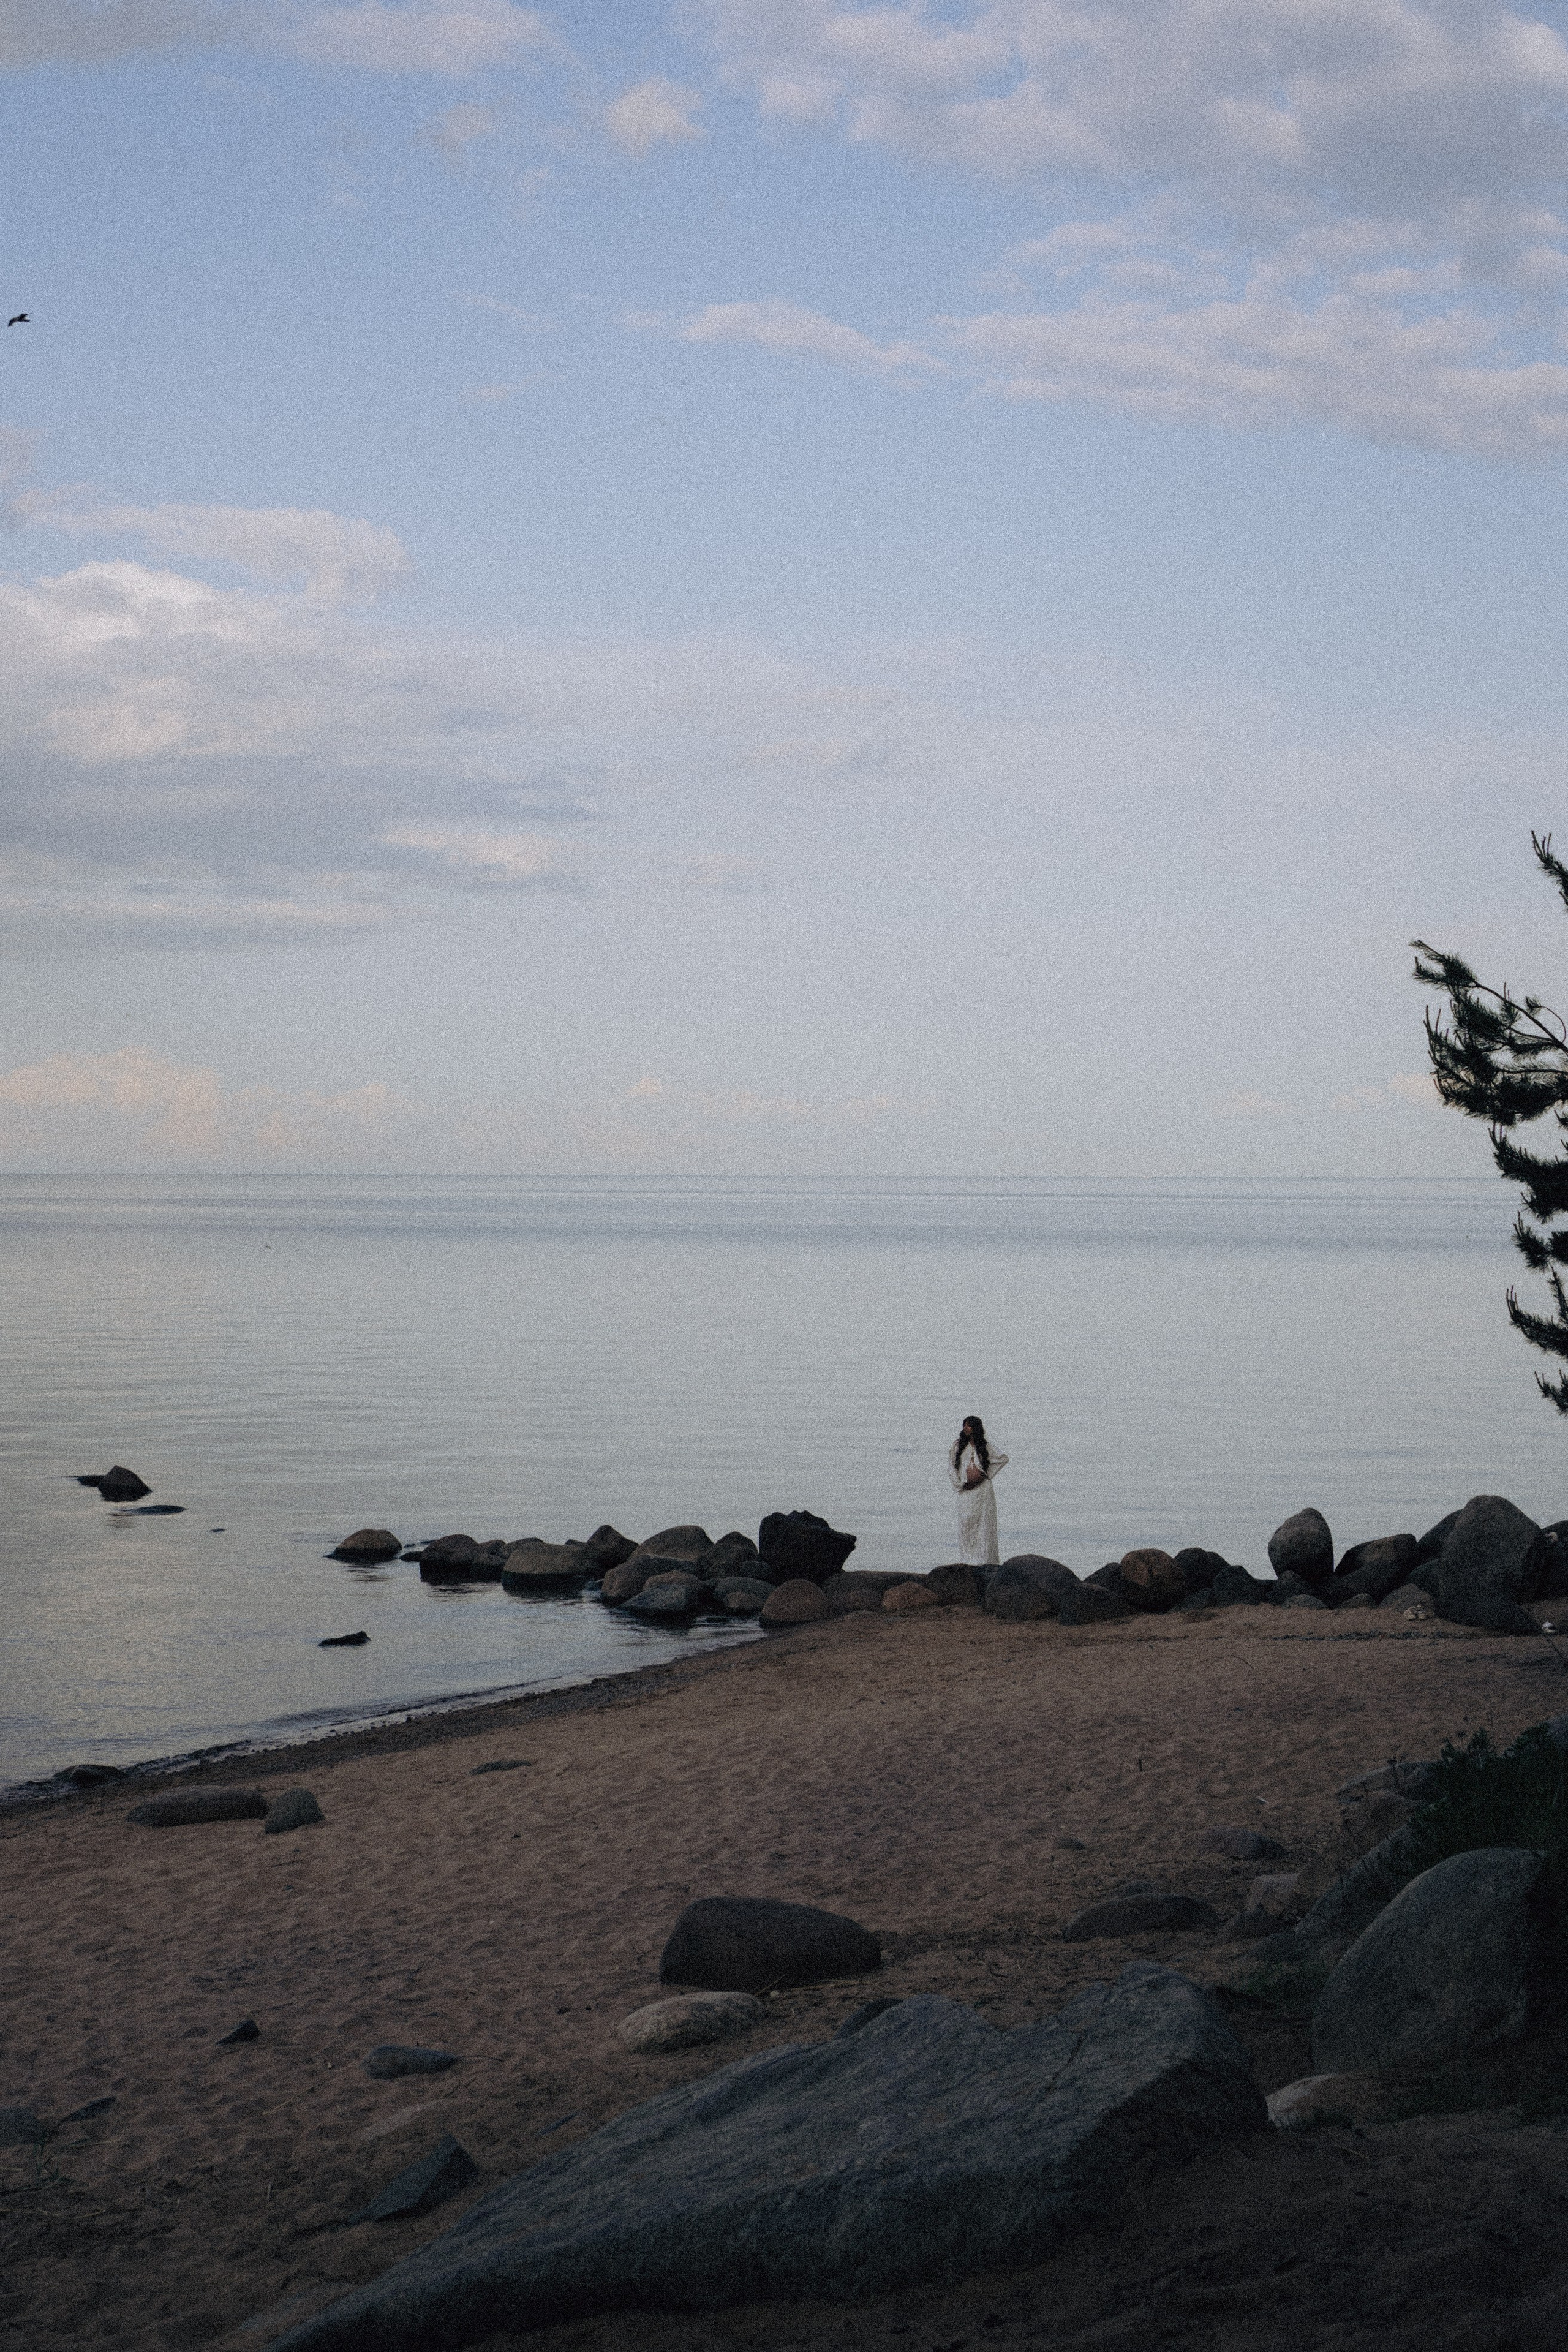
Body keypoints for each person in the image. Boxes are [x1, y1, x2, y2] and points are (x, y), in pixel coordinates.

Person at [948, 1414, 1008, 1567]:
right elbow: (951, 1468)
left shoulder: (984, 1445)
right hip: (966, 1491)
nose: (965, 1428)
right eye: (964, 1425)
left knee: (984, 1524)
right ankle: (968, 1560)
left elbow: (1003, 1458)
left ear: (976, 1427)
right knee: (967, 1523)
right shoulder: (958, 1446)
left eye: (969, 1425)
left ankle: (985, 1561)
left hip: (983, 1492)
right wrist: (961, 1484)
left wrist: (984, 1474)